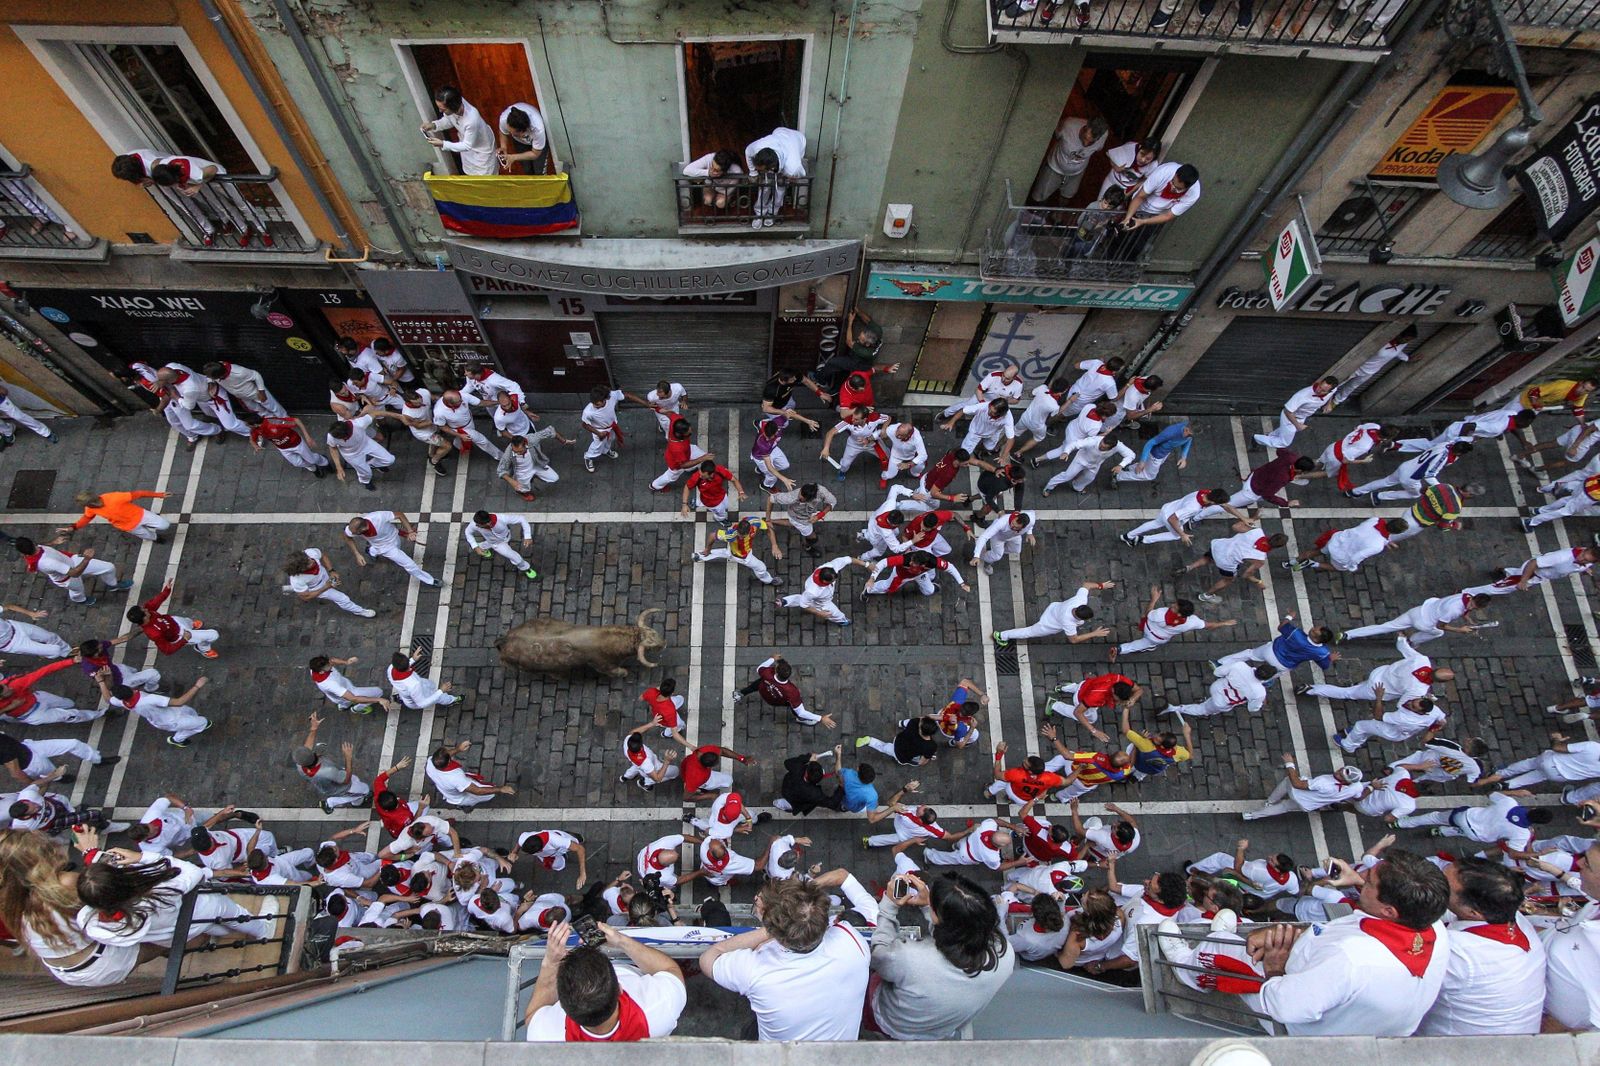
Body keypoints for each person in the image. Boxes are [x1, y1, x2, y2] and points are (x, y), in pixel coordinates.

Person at [1245, 849, 1450, 1035]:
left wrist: (1274, 967)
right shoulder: (1434, 928)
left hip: (1298, 1024)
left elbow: (1283, 1006)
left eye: (1367, 881)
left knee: (1222, 945)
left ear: (1388, 910)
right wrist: (1358, 882)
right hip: (1361, 1025)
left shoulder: (1349, 958)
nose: (1359, 877)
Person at [701, 876, 866, 1040]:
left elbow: (709, 957)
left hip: (778, 1055)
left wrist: (770, 930)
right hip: (840, 1050)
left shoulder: (755, 970)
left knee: (751, 1031)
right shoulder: (853, 941)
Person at [867, 871, 1014, 1040]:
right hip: (942, 1028)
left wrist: (889, 906)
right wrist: (929, 907)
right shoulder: (1006, 955)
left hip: (894, 1024)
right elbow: (956, 933)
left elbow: (879, 956)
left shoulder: (909, 957)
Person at [1415, 858, 1545, 1035]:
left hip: (1455, 1052)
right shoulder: (1515, 919)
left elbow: (1399, 983)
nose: (1434, 882)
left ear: (1473, 912)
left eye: (1444, 887)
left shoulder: (1457, 951)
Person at [77, 852, 273, 954]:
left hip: (175, 934)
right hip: (201, 910)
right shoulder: (155, 894)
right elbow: (193, 873)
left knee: (215, 928)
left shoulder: (90, 923)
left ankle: (225, 933)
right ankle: (263, 930)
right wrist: (142, 857)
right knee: (234, 913)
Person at [524, 919, 686, 1041]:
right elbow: (670, 970)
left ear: (563, 1006)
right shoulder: (658, 1006)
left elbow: (533, 1015)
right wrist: (622, 941)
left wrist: (551, 962)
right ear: (620, 989)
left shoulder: (549, 1036)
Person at [1300, 635, 1450, 707]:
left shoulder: (1422, 660)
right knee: (1347, 693)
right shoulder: (1418, 689)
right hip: (1377, 690)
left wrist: (1401, 638)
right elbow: (1403, 704)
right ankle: (1311, 690)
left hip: (1379, 674)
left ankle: (1312, 689)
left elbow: (1403, 647)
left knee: (1357, 687)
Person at [1111, 586, 1237, 661]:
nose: (1172, 606)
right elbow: (1209, 625)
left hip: (1147, 627)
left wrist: (1154, 599)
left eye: (1175, 607)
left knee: (1143, 642)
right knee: (1139, 645)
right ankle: (1120, 649)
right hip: (1158, 638)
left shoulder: (1160, 614)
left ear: (1180, 613)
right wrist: (1224, 623)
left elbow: (1147, 613)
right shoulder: (1192, 622)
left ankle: (1122, 649)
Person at [1338, 590, 1490, 645]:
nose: (1471, 607)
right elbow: (1440, 626)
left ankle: (1347, 635)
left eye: (1474, 608)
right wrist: (1460, 630)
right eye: (1472, 605)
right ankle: (1411, 641)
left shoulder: (1465, 596)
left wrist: (1469, 621)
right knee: (1439, 633)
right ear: (1473, 599)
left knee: (1386, 626)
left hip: (1418, 611)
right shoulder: (1453, 610)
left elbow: (1466, 610)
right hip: (1424, 622)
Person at [994, 579, 1113, 649]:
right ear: (1078, 617)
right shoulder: (1068, 623)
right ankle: (1002, 635)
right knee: (1029, 632)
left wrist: (1101, 586)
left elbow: (1086, 585)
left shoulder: (1079, 600)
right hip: (1048, 623)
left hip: (1054, 609)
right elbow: (1074, 639)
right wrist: (1095, 633)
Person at [13, 536, 131, 606]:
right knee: (77, 591)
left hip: (71, 560)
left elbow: (41, 545)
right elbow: (75, 573)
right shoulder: (47, 562)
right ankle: (80, 600)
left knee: (109, 567)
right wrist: (86, 559)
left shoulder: (34, 550)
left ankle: (113, 584)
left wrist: (53, 542)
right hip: (67, 577)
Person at [1175, 530, 1287, 603]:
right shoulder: (1260, 558)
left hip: (1220, 547)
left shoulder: (1257, 531)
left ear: (1272, 535)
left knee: (1208, 558)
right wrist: (1257, 581)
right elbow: (1246, 575)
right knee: (1228, 580)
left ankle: (1189, 567)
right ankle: (1206, 595)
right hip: (1226, 562)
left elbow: (1236, 526)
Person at [292, 713, 370, 813]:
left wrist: (314, 728)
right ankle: (332, 803)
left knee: (357, 787)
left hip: (327, 784)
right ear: (314, 754)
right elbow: (346, 779)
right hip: (343, 787)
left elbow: (307, 746)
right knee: (364, 790)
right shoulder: (328, 770)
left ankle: (357, 801)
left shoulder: (300, 765)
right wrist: (348, 757)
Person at [732, 653, 836, 728]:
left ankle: (740, 694)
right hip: (775, 700)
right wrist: (820, 718)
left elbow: (760, 668)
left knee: (755, 685)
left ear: (776, 671)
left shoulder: (767, 673)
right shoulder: (792, 692)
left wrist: (772, 659)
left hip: (763, 689)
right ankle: (800, 720)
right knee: (794, 707)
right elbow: (801, 712)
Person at [1243, 757, 1366, 820]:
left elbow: (1297, 784)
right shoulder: (1356, 787)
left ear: (1346, 780)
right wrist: (1371, 787)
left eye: (1341, 774)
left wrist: (1290, 764)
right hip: (1308, 805)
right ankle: (1251, 816)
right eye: (1341, 770)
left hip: (1297, 792)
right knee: (1284, 807)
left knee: (1288, 781)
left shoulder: (1324, 782)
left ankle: (1270, 801)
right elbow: (1360, 797)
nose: (1338, 772)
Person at [1219, 614, 1336, 676]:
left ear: (1316, 636)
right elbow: (1325, 665)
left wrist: (1289, 617)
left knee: (1249, 654)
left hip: (1270, 651)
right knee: (1270, 677)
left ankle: (1221, 663)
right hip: (1282, 665)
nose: (1313, 627)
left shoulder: (1296, 634)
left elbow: (1281, 627)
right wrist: (1330, 658)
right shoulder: (1322, 652)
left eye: (1315, 629)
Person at [126, 581, 218, 660]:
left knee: (188, 621)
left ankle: (192, 626)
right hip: (180, 634)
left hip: (175, 621)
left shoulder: (147, 610)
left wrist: (166, 590)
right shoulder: (154, 633)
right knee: (213, 635)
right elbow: (167, 650)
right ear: (144, 618)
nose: (146, 609)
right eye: (144, 611)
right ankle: (203, 648)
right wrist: (184, 639)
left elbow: (156, 601)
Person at [1285, 515, 1408, 574]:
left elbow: (1372, 533)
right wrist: (1352, 567)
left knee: (1314, 551)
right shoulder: (1378, 546)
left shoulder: (1375, 520)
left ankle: (1290, 562)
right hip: (1343, 557)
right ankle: (1314, 564)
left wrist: (1387, 541)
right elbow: (1358, 556)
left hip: (1336, 541)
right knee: (1337, 568)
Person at [342, 511, 437, 587]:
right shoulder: (352, 529)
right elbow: (347, 537)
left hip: (393, 538)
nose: (352, 533)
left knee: (376, 549)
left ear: (362, 529)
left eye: (355, 533)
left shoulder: (378, 517)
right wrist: (357, 554)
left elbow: (399, 514)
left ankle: (371, 551)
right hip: (386, 549)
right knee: (409, 564)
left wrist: (410, 531)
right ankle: (430, 580)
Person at [1, 658, 103, 728]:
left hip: (38, 698)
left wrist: (71, 661)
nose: (10, 689)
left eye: (6, 686)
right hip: (33, 715)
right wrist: (12, 707)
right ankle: (99, 714)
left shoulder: (14, 684)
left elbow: (44, 671)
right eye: (7, 691)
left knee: (68, 703)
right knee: (71, 715)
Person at [1465, 545, 1599, 597]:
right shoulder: (1562, 557)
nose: (1581, 559)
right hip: (1532, 573)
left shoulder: (1584, 562)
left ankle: (1504, 571)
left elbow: (1581, 565)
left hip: (1541, 575)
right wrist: (1523, 581)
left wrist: (1583, 569)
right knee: (1498, 588)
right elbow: (1534, 563)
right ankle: (1466, 593)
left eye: (1585, 561)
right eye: (1582, 556)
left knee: (1514, 573)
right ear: (1584, 551)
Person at [1030, 115, 1109, 204]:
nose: (1086, 144)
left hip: (1077, 172)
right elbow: (1054, 136)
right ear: (1085, 127)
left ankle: (1057, 214)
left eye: (1091, 142)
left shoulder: (1104, 135)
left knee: (1068, 195)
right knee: (1041, 194)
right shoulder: (1068, 125)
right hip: (1055, 166)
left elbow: (1099, 148)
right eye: (1085, 138)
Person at [423, 86, 496, 176]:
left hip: (482, 152)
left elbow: (467, 145)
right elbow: (449, 119)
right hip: (467, 149)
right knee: (469, 175)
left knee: (485, 180)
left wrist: (443, 144)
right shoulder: (455, 103)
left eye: (443, 109)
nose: (440, 111)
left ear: (453, 106)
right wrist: (434, 125)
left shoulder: (471, 119)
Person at [1163, 662, 1277, 720]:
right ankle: (1175, 709)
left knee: (1210, 703)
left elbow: (1217, 672)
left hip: (1216, 687)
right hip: (1222, 702)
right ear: (1266, 679)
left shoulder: (1240, 665)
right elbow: (1252, 708)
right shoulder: (1259, 692)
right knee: (1202, 709)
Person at [742, 127, 808, 228]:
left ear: (771, 168)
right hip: (780, 133)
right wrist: (753, 173)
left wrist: (791, 178)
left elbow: (801, 173)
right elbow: (748, 151)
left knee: (780, 189)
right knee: (764, 187)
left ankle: (772, 213)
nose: (759, 171)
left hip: (797, 140)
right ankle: (759, 213)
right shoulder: (757, 148)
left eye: (761, 170)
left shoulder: (792, 167)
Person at [1120, 162, 1201, 243]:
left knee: (1138, 244)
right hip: (1137, 205)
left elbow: (1168, 215)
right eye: (1172, 182)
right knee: (1120, 234)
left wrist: (1142, 222)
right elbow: (1140, 196)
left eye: (1178, 188)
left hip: (1155, 217)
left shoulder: (1194, 194)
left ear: (1188, 187)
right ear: (1175, 174)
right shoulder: (1163, 172)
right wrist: (1128, 218)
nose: (1173, 188)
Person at [1330, 329, 1415, 406]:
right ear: (1399, 335)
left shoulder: (1402, 344)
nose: (1406, 342)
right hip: (1357, 367)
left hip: (1370, 372)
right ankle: (1324, 399)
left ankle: (1336, 401)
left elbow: (1397, 352)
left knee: (1351, 387)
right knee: (1337, 383)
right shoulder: (1382, 341)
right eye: (1406, 339)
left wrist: (1407, 358)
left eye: (1409, 340)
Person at [285, 547, 373, 619]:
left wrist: (331, 571)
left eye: (309, 559)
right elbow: (307, 597)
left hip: (325, 576)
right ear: (301, 569)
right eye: (308, 563)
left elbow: (323, 556)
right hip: (317, 587)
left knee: (302, 590)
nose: (312, 560)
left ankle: (295, 589)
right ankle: (359, 611)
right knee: (343, 599)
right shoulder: (297, 580)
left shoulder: (310, 553)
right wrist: (327, 586)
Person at [778, 555, 868, 626]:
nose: (834, 581)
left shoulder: (830, 567)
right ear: (825, 581)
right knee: (834, 613)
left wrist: (866, 565)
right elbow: (804, 605)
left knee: (804, 598)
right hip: (822, 602)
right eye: (832, 581)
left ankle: (785, 601)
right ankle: (842, 621)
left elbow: (848, 559)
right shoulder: (813, 591)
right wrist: (820, 613)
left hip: (814, 595)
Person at [693, 516, 779, 586]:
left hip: (732, 550)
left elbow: (767, 526)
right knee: (761, 567)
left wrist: (774, 545)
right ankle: (769, 580)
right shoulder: (731, 535)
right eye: (739, 534)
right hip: (744, 557)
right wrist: (708, 548)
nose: (739, 537)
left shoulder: (754, 521)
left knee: (724, 553)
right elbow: (712, 536)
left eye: (742, 536)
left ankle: (699, 556)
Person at [1254, 378, 1337, 450]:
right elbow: (1287, 411)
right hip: (1290, 418)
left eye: (1323, 390)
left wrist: (1328, 403)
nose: (1319, 390)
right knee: (1284, 443)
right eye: (1320, 387)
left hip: (1302, 417)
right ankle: (1256, 438)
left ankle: (1270, 436)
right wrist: (1298, 425)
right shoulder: (1302, 395)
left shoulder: (1332, 390)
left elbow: (1332, 392)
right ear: (1319, 383)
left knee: (1284, 432)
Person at [426, 742, 514, 807]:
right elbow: (478, 791)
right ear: (449, 762)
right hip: (463, 797)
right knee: (488, 794)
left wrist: (458, 749)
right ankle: (466, 806)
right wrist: (500, 789)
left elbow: (444, 756)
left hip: (446, 788)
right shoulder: (456, 778)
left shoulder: (431, 762)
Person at [62, 490, 171, 543]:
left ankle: (152, 533)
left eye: (93, 502)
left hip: (140, 515)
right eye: (90, 504)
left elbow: (139, 494)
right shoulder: (90, 509)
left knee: (165, 525)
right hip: (127, 526)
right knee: (147, 535)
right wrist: (74, 527)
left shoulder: (114, 497)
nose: (94, 505)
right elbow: (87, 518)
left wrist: (159, 495)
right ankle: (156, 538)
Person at [765, 481, 836, 557]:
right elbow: (770, 498)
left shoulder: (821, 491)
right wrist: (768, 518)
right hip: (799, 518)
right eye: (799, 495)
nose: (799, 498)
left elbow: (832, 502)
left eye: (802, 500)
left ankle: (772, 522)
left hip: (806, 515)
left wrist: (819, 515)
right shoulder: (791, 497)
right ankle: (807, 547)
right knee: (812, 538)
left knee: (792, 523)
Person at [465, 511, 539, 580]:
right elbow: (468, 532)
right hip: (496, 544)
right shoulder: (475, 524)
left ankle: (525, 568)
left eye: (479, 525)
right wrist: (475, 546)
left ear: (487, 523)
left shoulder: (502, 518)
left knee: (517, 560)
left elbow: (521, 518)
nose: (476, 526)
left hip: (504, 539)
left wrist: (527, 536)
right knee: (515, 557)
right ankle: (526, 568)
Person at [249, 414, 330, 477]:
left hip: (297, 444)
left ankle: (324, 462)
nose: (247, 426)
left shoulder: (273, 422)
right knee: (297, 463)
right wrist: (255, 446)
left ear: (255, 424)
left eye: (248, 424)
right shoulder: (255, 430)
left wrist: (307, 436)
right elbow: (252, 439)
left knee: (312, 459)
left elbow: (296, 420)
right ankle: (313, 468)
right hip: (283, 448)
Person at [499, 429, 569, 501]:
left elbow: (550, 431)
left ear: (525, 444)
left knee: (554, 478)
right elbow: (501, 471)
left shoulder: (532, 439)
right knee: (521, 488)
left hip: (536, 465)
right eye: (515, 451)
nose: (517, 453)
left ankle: (533, 475)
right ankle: (522, 493)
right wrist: (511, 481)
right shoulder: (508, 453)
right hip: (521, 472)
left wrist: (563, 441)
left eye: (520, 451)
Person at [387, 650, 458, 711]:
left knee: (430, 685)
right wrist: (441, 691)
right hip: (419, 694)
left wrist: (413, 659)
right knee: (439, 697)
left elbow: (403, 667)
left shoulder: (390, 669)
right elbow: (422, 703)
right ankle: (452, 700)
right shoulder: (414, 684)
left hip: (408, 691)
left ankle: (400, 698)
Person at [857, 715, 940, 766]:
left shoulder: (914, 722)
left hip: (898, 741)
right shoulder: (930, 746)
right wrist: (921, 762)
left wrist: (940, 717)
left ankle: (869, 741)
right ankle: (870, 741)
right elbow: (922, 761)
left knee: (884, 747)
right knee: (885, 748)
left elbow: (925, 717)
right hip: (901, 755)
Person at [681, 459, 743, 524]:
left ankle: (695, 502)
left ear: (711, 474)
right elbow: (687, 487)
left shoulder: (720, 471)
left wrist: (741, 492)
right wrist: (684, 504)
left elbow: (734, 480)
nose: (700, 476)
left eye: (703, 475)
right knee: (721, 513)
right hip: (711, 503)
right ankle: (720, 519)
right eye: (700, 473)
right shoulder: (697, 477)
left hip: (721, 495)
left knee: (726, 506)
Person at [0, 604, 70, 661]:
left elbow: (9, 607)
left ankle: (68, 651)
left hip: (16, 627)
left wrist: (31, 613)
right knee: (55, 651)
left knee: (50, 636)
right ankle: (45, 654)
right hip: (13, 644)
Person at [497, 102, 549, 175]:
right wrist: (503, 146)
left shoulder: (538, 129)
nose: (511, 134)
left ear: (524, 132)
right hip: (520, 143)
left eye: (514, 134)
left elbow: (535, 154)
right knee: (527, 169)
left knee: (539, 172)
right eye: (510, 132)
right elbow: (503, 132)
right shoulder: (504, 120)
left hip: (538, 144)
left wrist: (513, 157)